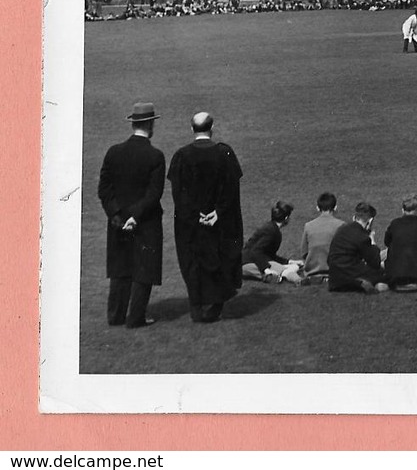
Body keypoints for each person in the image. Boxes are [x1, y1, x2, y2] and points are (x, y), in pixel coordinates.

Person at [167, 110, 244, 323]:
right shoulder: (224, 153)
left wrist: (194, 216)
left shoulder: (181, 156)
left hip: (191, 223)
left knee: (193, 262)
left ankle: (197, 307)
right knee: (218, 260)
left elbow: (178, 194)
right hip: (219, 220)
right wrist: (217, 212)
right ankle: (214, 307)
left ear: (192, 129)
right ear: (212, 128)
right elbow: (231, 189)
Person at [97, 101, 166, 328]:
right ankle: (136, 318)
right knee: (143, 269)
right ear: (149, 124)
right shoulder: (155, 156)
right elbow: (153, 193)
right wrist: (135, 216)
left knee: (120, 267)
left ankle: (115, 316)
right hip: (145, 221)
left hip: (117, 222)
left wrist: (117, 215)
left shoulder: (113, 152)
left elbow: (104, 189)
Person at [327, 202, 387, 294]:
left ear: (354, 217)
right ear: (370, 221)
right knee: (383, 274)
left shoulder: (341, 230)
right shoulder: (363, 237)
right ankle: (362, 283)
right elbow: (375, 262)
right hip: (351, 274)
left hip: (335, 278)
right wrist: (372, 241)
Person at [241, 201, 299, 283]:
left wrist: (289, 261)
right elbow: (255, 251)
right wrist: (266, 269)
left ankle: (272, 277)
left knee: (293, 266)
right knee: (287, 269)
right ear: (286, 218)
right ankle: (299, 280)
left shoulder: (271, 228)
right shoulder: (271, 232)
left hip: (249, 261)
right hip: (247, 263)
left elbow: (268, 254)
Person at [299, 192, 347, 284]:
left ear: (317, 208)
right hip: (334, 271)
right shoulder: (341, 225)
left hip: (311, 272)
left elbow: (304, 252)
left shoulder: (308, 226)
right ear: (335, 207)